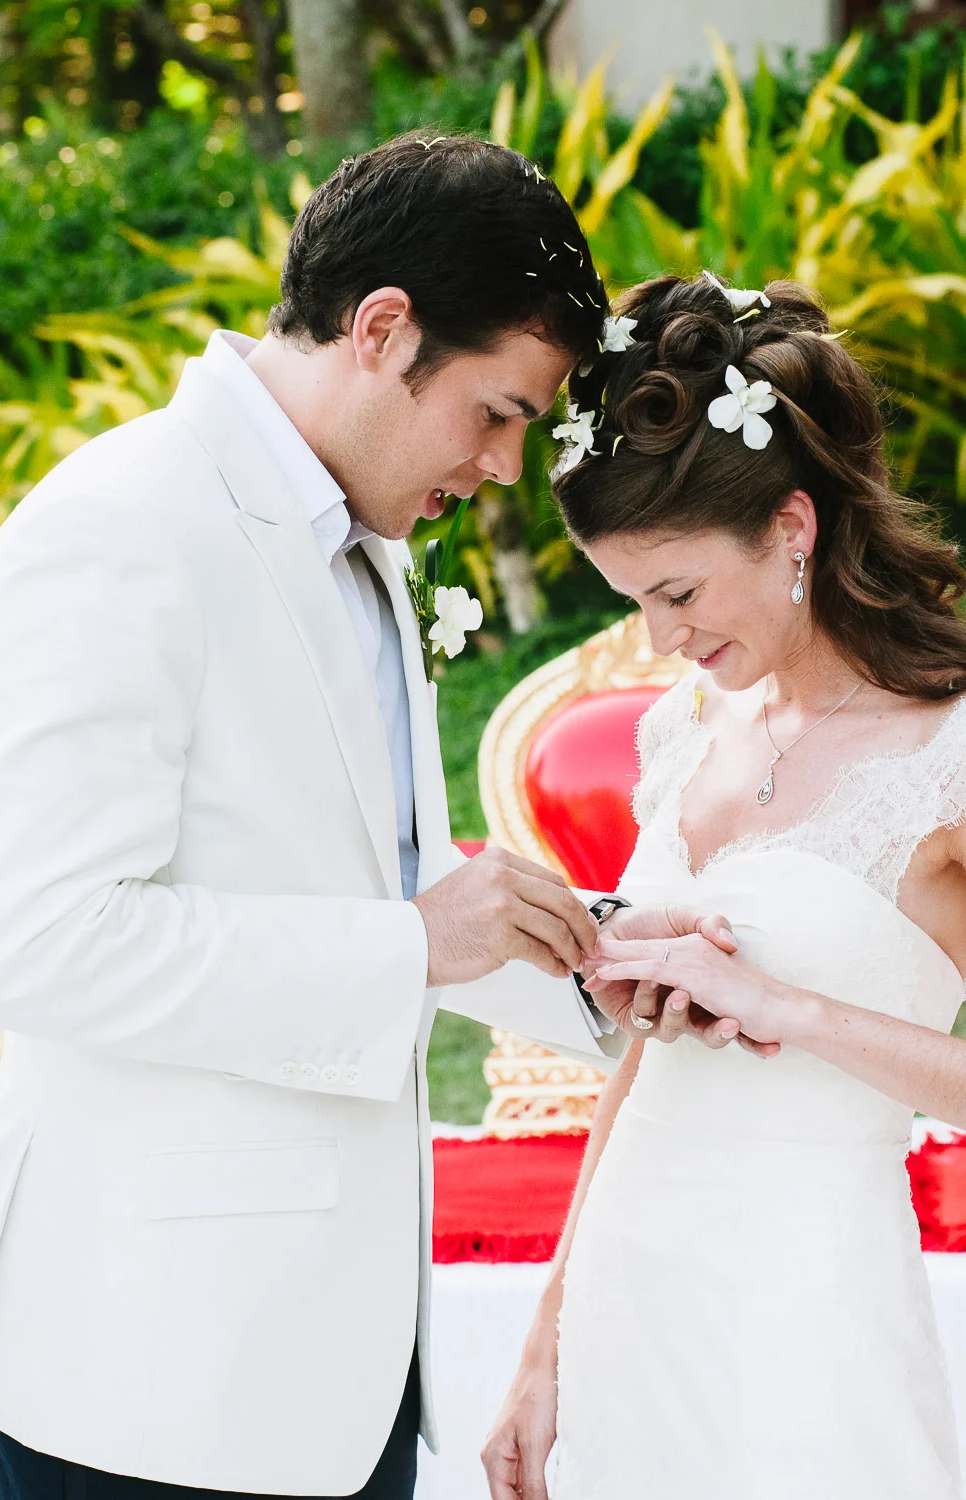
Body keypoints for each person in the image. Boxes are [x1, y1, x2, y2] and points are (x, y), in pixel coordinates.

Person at [0, 140, 724, 1500]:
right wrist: (407, 945)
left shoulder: (356, 542)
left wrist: (609, 963)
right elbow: (31, 940)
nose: (500, 467)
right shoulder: (120, 528)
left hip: (338, 1371)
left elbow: (382, 877)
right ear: (382, 329)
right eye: (495, 413)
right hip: (151, 1382)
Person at [483, 272, 966, 1500]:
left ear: (793, 527)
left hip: (807, 1322)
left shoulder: (945, 753)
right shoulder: (683, 734)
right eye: (631, 600)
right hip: (631, 1304)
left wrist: (789, 1011)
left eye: (678, 593)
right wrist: (545, 1346)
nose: (656, 641)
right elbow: (639, 1072)